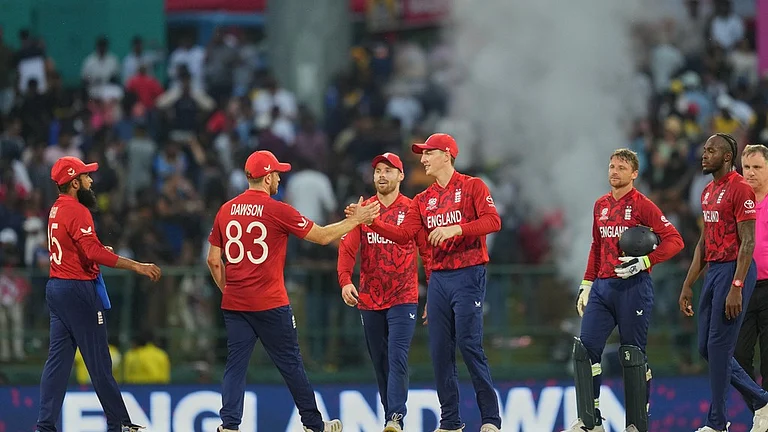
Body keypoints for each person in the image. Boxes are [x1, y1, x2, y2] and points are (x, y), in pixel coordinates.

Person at [207, 150, 380, 432]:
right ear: (266, 177)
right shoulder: (277, 209)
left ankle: (229, 425)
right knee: (291, 364)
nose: (278, 178)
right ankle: (313, 424)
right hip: (271, 303)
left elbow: (213, 260)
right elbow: (323, 237)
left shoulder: (226, 209)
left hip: (236, 304)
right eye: (276, 173)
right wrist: (356, 220)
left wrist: (230, 290)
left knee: (235, 366)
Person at [346, 133, 502, 432]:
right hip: (440, 280)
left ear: (446, 154)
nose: (423, 159)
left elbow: (493, 221)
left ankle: (490, 420)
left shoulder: (473, 186)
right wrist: (371, 222)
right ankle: (451, 422)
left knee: (469, 345)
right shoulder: (423, 199)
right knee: (439, 352)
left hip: (469, 273)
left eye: (428, 153)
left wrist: (456, 229)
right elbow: (404, 235)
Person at [562, 148, 684, 432]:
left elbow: (674, 240)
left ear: (634, 174)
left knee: (633, 355)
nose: (614, 171)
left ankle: (635, 423)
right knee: (585, 349)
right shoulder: (600, 205)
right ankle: (589, 421)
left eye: (621, 167)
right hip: (603, 288)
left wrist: (644, 261)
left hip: (634, 288)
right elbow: (596, 246)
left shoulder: (643, 205)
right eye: (612, 166)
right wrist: (586, 284)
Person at [37, 156, 162, 432]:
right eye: (85, 176)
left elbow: (81, 248)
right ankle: (120, 424)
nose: (91, 181)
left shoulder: (56, 209)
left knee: (57, 363)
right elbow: (92, 252)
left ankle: (44, 426)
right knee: (100, 363)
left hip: (57, 287)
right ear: (74, 182)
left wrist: (95, 250)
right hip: (78, 290)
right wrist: (137, 266)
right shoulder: (77, 210)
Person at [337, 153, 431, 432]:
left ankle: (395, 418)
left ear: (401, 176)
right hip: (370, 297)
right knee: (380, 361)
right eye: (378, 170)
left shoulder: (412, 209)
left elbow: (427, 253)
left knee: (397, 354)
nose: (381, 175)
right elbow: (347, 247)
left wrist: (435, 293)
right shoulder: (363, 209)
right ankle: (390, 416)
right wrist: (344, 280)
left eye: (388, 170)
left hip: (403, 297)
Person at [679, 134, 768, 432]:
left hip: (735, 269)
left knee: (718, 348)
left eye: (711, 150)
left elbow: (748, 241)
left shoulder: (741, 188)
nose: (704, 155)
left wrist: (737, 285)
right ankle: (760, 399)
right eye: (704, 149)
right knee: (705, 348)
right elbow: (704, 244)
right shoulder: (707, 191)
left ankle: (717, 422)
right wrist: (688, 284)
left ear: (727, 157)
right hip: (715, 270)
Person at [736, 145, 768, 396]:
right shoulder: (736, 202)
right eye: (746, 167)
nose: (751, 173)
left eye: (757, 167)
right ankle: (760, 408)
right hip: (742, 287)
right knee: (738, 355)